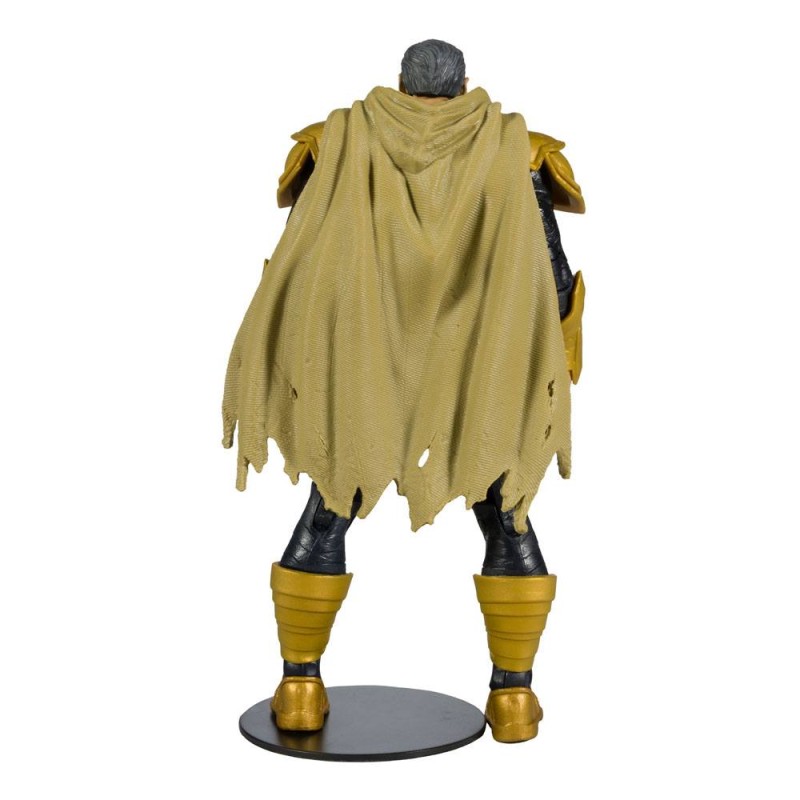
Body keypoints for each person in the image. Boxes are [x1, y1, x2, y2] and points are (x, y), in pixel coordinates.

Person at [222, 39, 585, 743]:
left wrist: (292, 352)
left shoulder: (335, 141)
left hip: (366, 361)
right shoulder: (522, 151)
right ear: (466, 84)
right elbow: (552, 267)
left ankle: (299, 687)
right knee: (506, 513)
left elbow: (300, 258)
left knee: (330, 506)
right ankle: (513, 698)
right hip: (479, 363)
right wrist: (559, 353)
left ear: (398, 81)